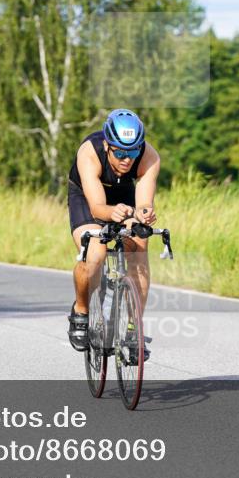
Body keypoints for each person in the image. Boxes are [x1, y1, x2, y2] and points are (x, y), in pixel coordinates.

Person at [66, 109, 160, 353]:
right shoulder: (90, 152)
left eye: (133, 151)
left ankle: (132, 328)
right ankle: (81, 311)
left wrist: (143, 213)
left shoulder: (149, 156)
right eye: (119, 152)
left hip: (123, 194)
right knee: (95, 253)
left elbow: (143, 203)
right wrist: (113, 213)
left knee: (139, 243)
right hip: (87, 197)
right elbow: (97, 208)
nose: (127, 159)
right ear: (107, 145)